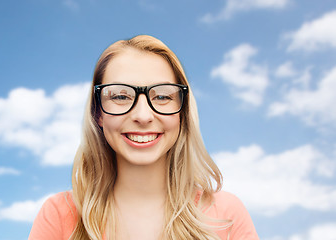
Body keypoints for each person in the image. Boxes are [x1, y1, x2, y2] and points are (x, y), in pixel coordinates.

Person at [28, 35, 259, 240]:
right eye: (120, 96)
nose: (142, 115)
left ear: (182, 112)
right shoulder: (59, 215)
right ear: (97, 113)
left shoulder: (226, 216)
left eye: (161, 96)